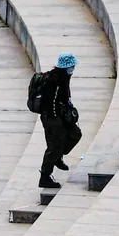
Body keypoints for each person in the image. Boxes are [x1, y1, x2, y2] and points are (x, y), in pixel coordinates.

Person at [39, 52, 83, 189]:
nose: (73, 68)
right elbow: (50, 102)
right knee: (54, 147)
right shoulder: (54, 80)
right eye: (72, 66)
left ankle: (58, 157)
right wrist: (56, 120)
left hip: (61, 117)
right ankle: (45, 177)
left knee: (76, 134)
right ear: (66, 67)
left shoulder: (64, 78)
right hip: (52, 119)